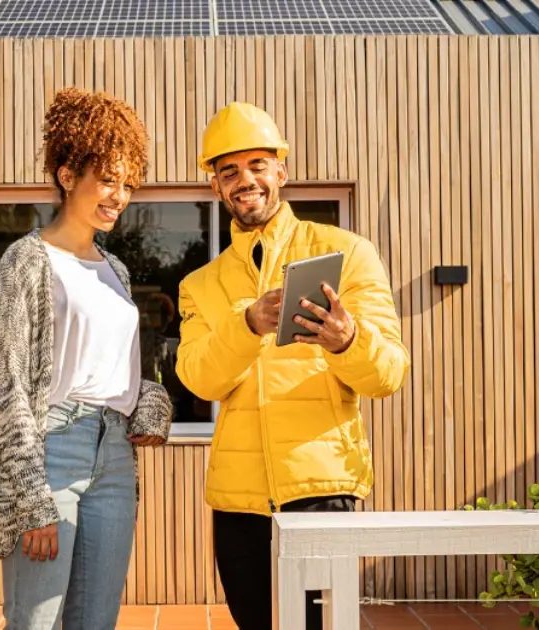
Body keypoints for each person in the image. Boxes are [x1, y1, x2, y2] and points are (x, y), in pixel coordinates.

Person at [175, 102, 411, 630]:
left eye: (258, 164)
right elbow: (198, 378)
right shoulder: (200, 285)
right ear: (215, 186)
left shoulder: (347, 253)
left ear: (282, 170)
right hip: (237, 500)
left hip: (322, 486)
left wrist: (348, 340)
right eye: (229, 171)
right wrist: (247, 325)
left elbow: (390, 373)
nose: (245, 180)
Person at [0, 87, 173, 630]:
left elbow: (118, 368)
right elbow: (3, 385)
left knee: (96, 621)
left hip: (114, 458)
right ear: (67, 175)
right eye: (107, 179)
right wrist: (31, 496)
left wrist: (148, 403)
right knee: (36, 620)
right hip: (50, 452)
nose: (119, 195)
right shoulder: (27, 261)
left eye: (128, 183)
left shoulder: (116, 269)